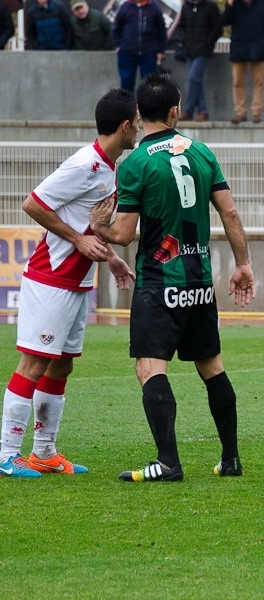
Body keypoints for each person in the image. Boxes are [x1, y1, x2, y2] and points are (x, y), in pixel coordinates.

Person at [89, 73, 256, 482]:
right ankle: (231, 459)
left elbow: (125, 235)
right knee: (212, 367)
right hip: (199, 283)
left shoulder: (136, 164)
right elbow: (230, 213)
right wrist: (243, 264)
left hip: (160, 283)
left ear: (139, 115)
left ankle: (167, 463)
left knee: (150, 368)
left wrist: (99, 227)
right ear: (174, 110)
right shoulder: (201, 153)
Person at [0, 88, 138, 478]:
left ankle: (44, 451)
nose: (139, 129)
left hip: (77, 283)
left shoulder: (111, 168)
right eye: (138, 123)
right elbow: (32, 204)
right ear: (126, 125)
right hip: (51, 280)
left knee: (61, 367)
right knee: (33, 363)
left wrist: (111, 261)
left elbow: (88, 224)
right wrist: (78, 240)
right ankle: (6, 454)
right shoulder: (84, 165)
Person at [222, 0, 264, 124]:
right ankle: (240, 112)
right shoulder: (234, 4)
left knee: (259, 82)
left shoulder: (262, 3)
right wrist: (229, 6)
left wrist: (263, 37)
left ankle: (257, 112)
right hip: (239, 46)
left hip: (258, 46)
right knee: (237, 82)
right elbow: (224, 21)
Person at [175, 0, 222, 122]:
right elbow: (181, 26)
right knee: (196, 81)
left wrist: (208, 43)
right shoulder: (187, 7)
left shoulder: (211, 7)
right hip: (190, 51)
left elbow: (217, 28)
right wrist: (184, 40)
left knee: (194, 78)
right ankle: (202, 110)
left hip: (204, 51)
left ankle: (188, 110)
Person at [112, 0, 166, 93]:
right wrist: (117, 45)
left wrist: (160, 50)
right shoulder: (125, 7)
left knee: (149, 85)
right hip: (127, 52)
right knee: (126, 83)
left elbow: (161, 30)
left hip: (149, 52)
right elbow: (116, 27)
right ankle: (128, 107)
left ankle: (147, 107)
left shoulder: (154, 7)